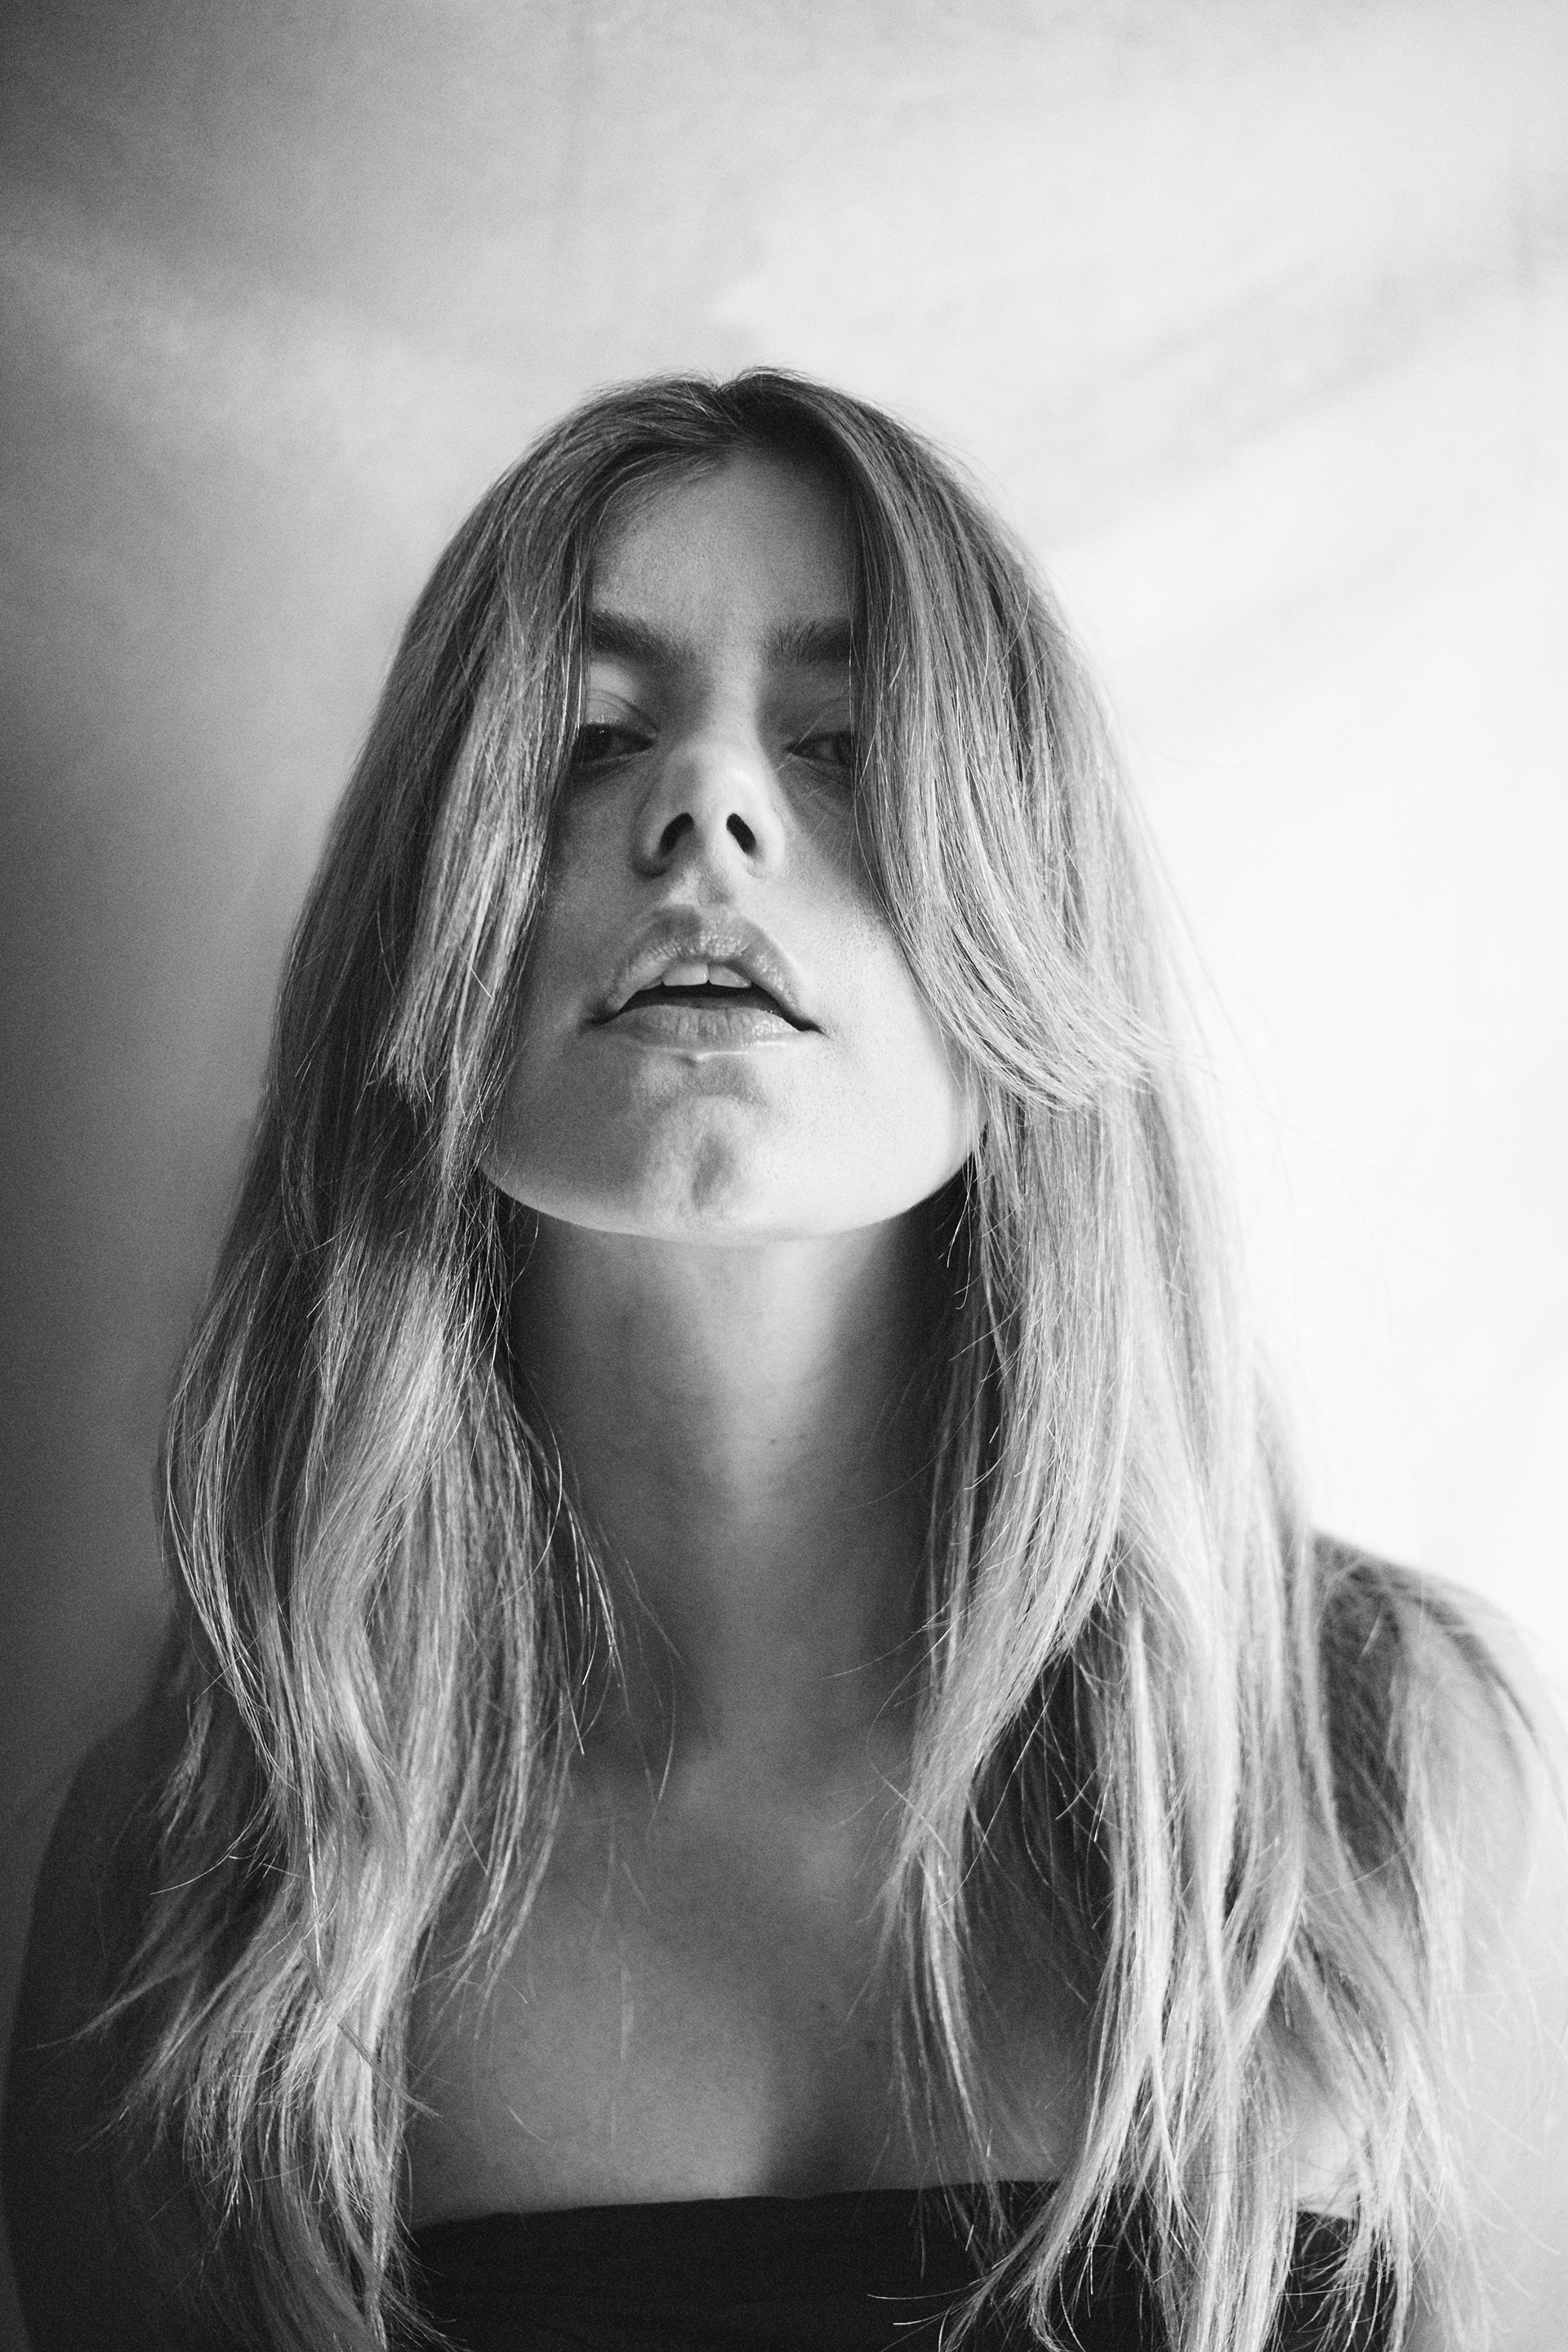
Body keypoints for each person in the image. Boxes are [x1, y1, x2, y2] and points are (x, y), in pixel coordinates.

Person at [4, 370, 1566, 2352]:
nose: (708, 810)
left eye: (844, 746)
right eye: (587, 738)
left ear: (1031, 910)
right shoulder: (195, 1886)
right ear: (422, 918)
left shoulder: (1390, 1775)